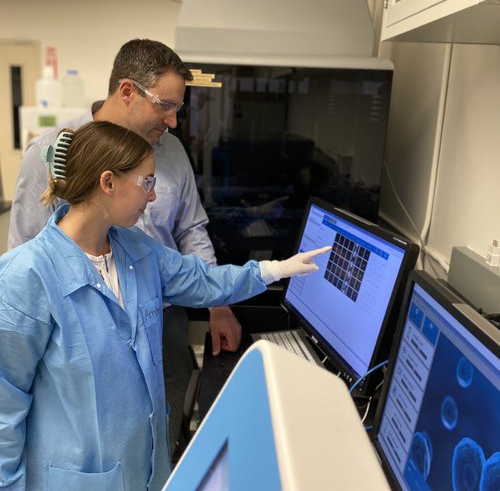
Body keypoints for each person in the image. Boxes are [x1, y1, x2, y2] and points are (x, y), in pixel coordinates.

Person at [0, 121, 328, 490]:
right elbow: (4, 404)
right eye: (147, 182)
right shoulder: (25, 275)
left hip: (146, 469)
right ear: (108, 182)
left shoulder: (135, 249)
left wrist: (276, 269)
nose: (152, 197)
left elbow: (201, 280)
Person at [8, 39, 244, 453]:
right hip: (76, 329)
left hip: (161, 317)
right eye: (165, 105)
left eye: (178, 109)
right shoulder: (52, 152)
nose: (173, 121)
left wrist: (218, 305)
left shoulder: (171, 152)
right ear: (127, 91)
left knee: (162, 433)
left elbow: (191, 229)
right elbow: (24, 254)